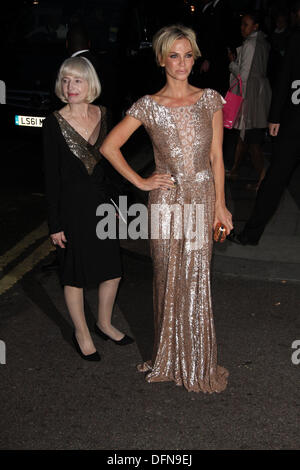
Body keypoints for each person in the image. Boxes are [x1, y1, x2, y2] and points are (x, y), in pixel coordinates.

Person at [100, 24, 233, 393]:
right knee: (166, 277)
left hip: (203, 196)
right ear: (161, 58)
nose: (182, 63)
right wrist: (142, 182)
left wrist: (221, 206)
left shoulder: (210, 99)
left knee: (195, 277)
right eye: (174, 55)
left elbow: (217, 157)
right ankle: (170, 357)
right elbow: (110, 147)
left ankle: (197, 362)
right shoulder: (148, 105)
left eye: (188, 55)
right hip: (166, 202)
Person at [43, 56, 134, 361]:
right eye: (65, 80)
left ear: (90, 83)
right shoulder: (53, 122)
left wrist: (120, 203)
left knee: (112, 271)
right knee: (74, 274)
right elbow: (51, 177)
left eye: (77, 80)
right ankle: (81, 332)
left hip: (101, 205)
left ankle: (104, 323)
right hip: (71, 208)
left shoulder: (104, 113)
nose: (70, 86)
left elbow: (109, 166)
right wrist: (54, 224)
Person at [228, 1, 300, 246]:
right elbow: (285, 75)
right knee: (275, 179)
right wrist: (275, 116)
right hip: (293, 121)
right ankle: (250, 234)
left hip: (291, 119)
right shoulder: (297, 39)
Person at [227, 11, 272, 191]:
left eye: (246, 24)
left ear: (255, 26)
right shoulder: (262, 42)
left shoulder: (252, 44)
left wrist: (232, 62)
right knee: (244, 136)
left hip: (250, 95)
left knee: (252, 139)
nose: (242, 28)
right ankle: (236, 169)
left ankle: (264, 180)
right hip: (257, 92)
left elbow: (242, 76)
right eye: (242, 24)